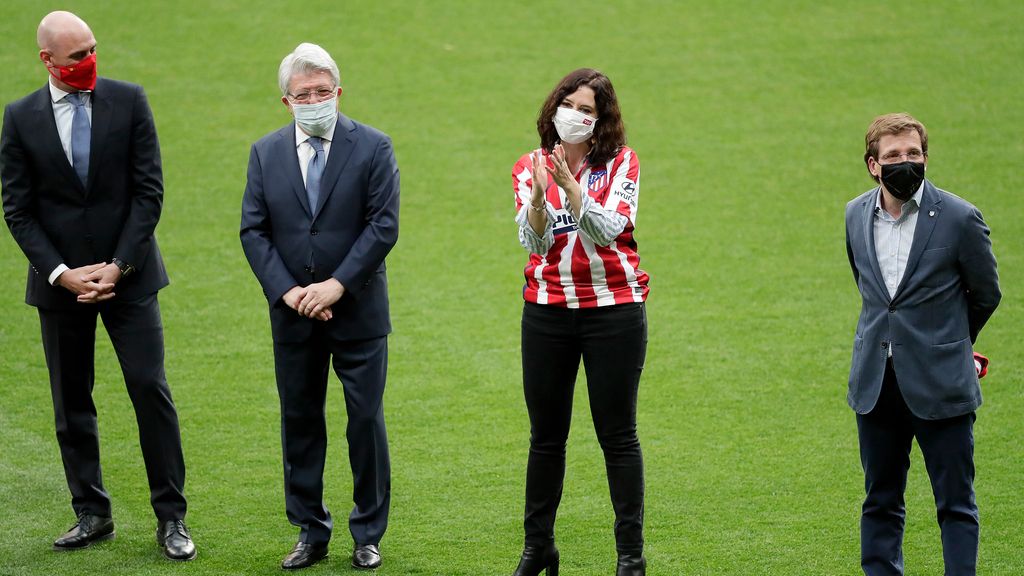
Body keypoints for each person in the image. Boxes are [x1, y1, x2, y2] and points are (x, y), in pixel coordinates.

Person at [0, 11, 195, 561]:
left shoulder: (129, 100)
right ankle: (91, 513)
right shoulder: (19, 118)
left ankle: (172, 518)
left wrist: (118, 266)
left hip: (129, 282)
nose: (89, 61)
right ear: (47, 60)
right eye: (76, 56)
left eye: (92, 49)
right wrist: (62, 273)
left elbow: (148, 192)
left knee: (149, 392)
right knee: (71, 402)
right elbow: (17, 209)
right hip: (61, 287)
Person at [240, 42, 399, 571]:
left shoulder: (374, 146)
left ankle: (367, 532)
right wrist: (289, 292)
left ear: (338, 92)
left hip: (357, 313)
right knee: (300, 421)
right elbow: (254, 230)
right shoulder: (265, 153)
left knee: (364, 422)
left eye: (322, 92)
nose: (314, 101)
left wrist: (337, 286)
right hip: (293, 315)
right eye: (303, 94)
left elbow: (383, 225)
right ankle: (310, 530)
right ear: (286, 101)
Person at [844, 113, 1001, 576]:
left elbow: (986, 293)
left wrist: (950, 343)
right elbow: (872, 291)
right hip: (877, 383)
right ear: (874, 164)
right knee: (880, 501)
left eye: (913, 154)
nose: (905, 162)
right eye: (893, 156)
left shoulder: (959, 217)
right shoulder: (855, 214)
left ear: (926, 157)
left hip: (941, 383)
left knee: (955, 504)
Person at [509, 68, 649, 576]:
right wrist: (542, 201)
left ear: (601, 121)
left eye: (587, 110)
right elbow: (535, 243)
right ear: (554, 108)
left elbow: (611, 229)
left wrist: (572, 189)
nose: (575, 115)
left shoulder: (622, 163)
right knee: (545, 437)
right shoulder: (529, 165)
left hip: (613, 311)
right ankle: (537, 546)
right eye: (569, 104)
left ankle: (630, 557)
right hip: (546, 312)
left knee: (618, 435)